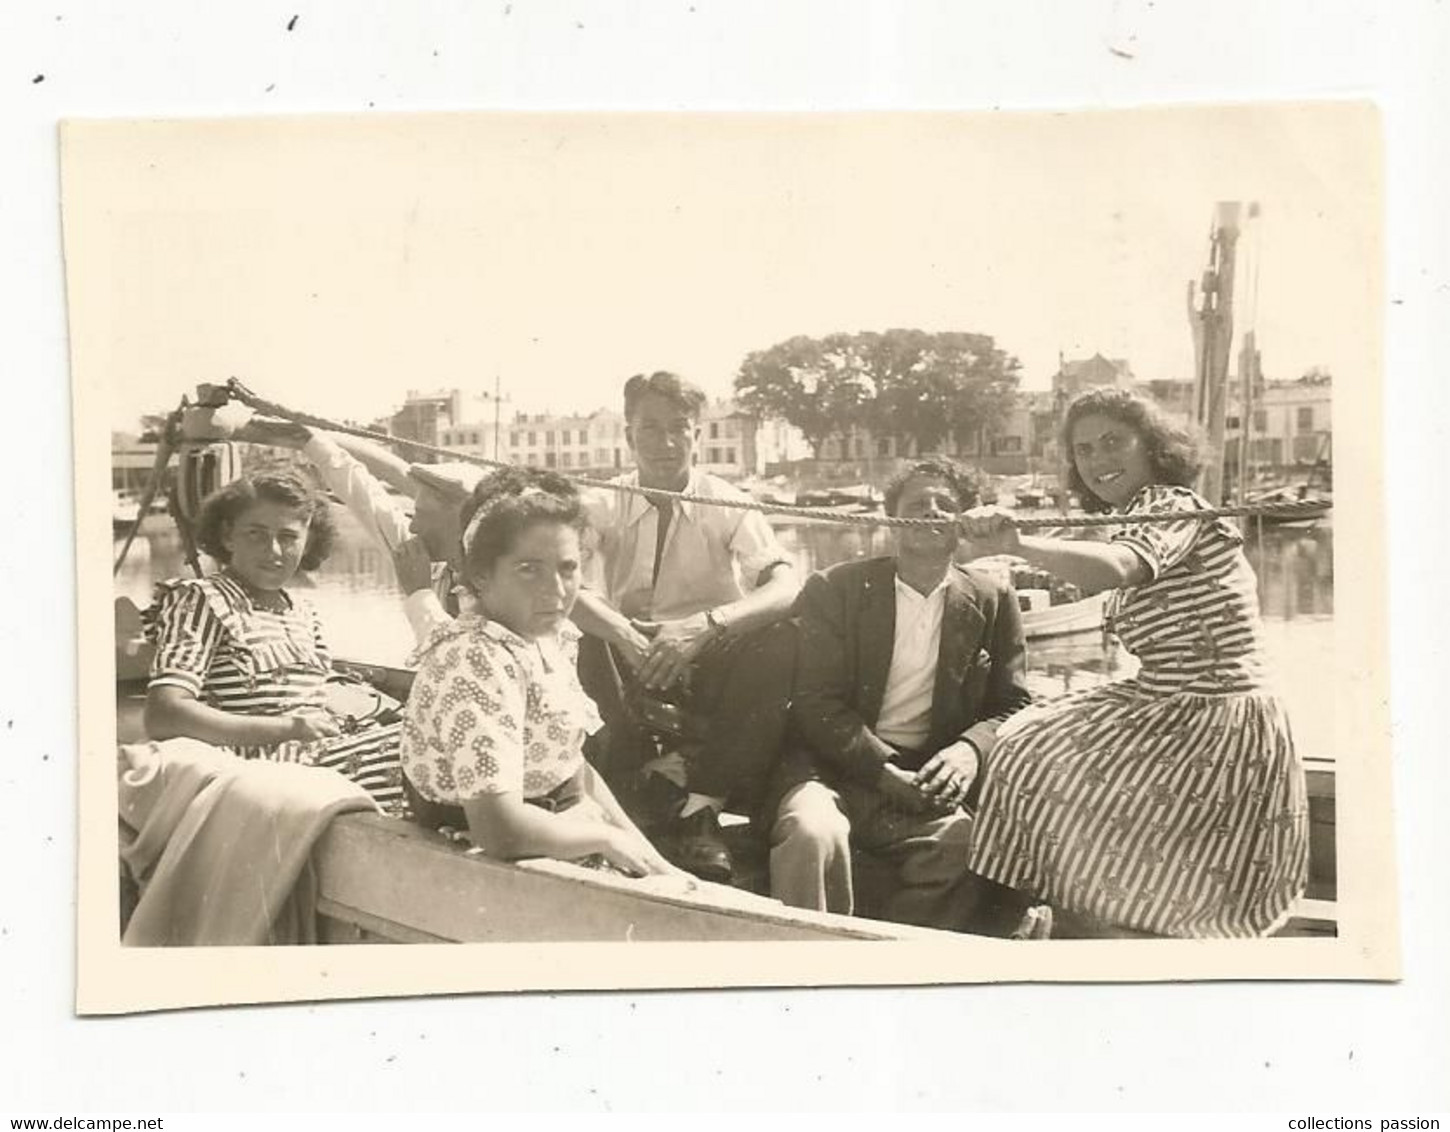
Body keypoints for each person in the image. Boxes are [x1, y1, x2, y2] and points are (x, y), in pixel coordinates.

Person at [960, 387, 1309, 938]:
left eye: (1112, 442)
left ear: (1154, 446)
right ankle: (1065, 912)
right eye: (1084, 450)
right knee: (1026, 740)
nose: (1098, 460)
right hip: (1171, 701)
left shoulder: (1172, 505)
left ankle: (1022, 917)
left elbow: (1123, 566)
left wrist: (1020, 543)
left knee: (1023, 746)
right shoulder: (1134, 516)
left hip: (1216, 714)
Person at [770, 459, 1032, 928]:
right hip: (832, 772)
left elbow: (1012, 704)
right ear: (891, 519)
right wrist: (884, 771)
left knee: (966, 848)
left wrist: (969, 752)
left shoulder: (993, 601)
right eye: (916, 504)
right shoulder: (835, 588)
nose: (930, 512)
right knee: (811, 834)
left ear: (964, 525)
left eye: (945, 505)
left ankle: (889, 969)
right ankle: (805, 969)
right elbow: (814, 702)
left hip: (925, 780)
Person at [571, 372, 801, 883]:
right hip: (628, 649)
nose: (666, 443)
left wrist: (706, 625)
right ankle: (638, 783)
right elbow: (569, 588)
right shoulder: (600, 504)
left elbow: (786, 585)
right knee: (585, 630)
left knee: (783, 637)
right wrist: (625, 636)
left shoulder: (727, 501)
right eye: (650, 429)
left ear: (697, 436)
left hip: (710, 651)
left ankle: (701, 803)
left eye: (680, 428)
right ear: (628, 437)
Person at [399, 466, 683, 878]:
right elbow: (497, 829)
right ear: (480, 574)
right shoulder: (475, 660)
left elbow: (574, 771)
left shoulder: (545, 638)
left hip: (557, 829)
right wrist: (607, 839)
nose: (556, 589)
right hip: (491, 861)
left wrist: (661, 868)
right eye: (529, 568)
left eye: (567, 568)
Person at [142, 467, 407, 813]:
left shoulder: (302, 611)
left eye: (288, 537)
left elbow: (312, 702)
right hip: (260, 770)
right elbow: (164, 715)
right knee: (417, 745)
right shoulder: (202, 599)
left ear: (308, 540)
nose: (274, 551)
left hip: (321, 757)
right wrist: (287, 728)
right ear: (227, 536)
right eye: (256, 534)